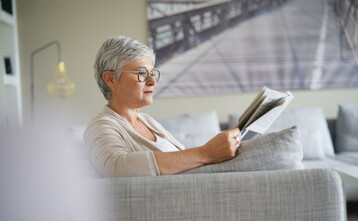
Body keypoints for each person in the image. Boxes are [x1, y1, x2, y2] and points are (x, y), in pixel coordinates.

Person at [84, 35, 241, 177]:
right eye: (142, 73)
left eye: (152, 73)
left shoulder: (147, 121)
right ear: (111, 79)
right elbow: (116, 167)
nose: (152, 81)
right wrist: (207, 153)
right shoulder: (100, 127)